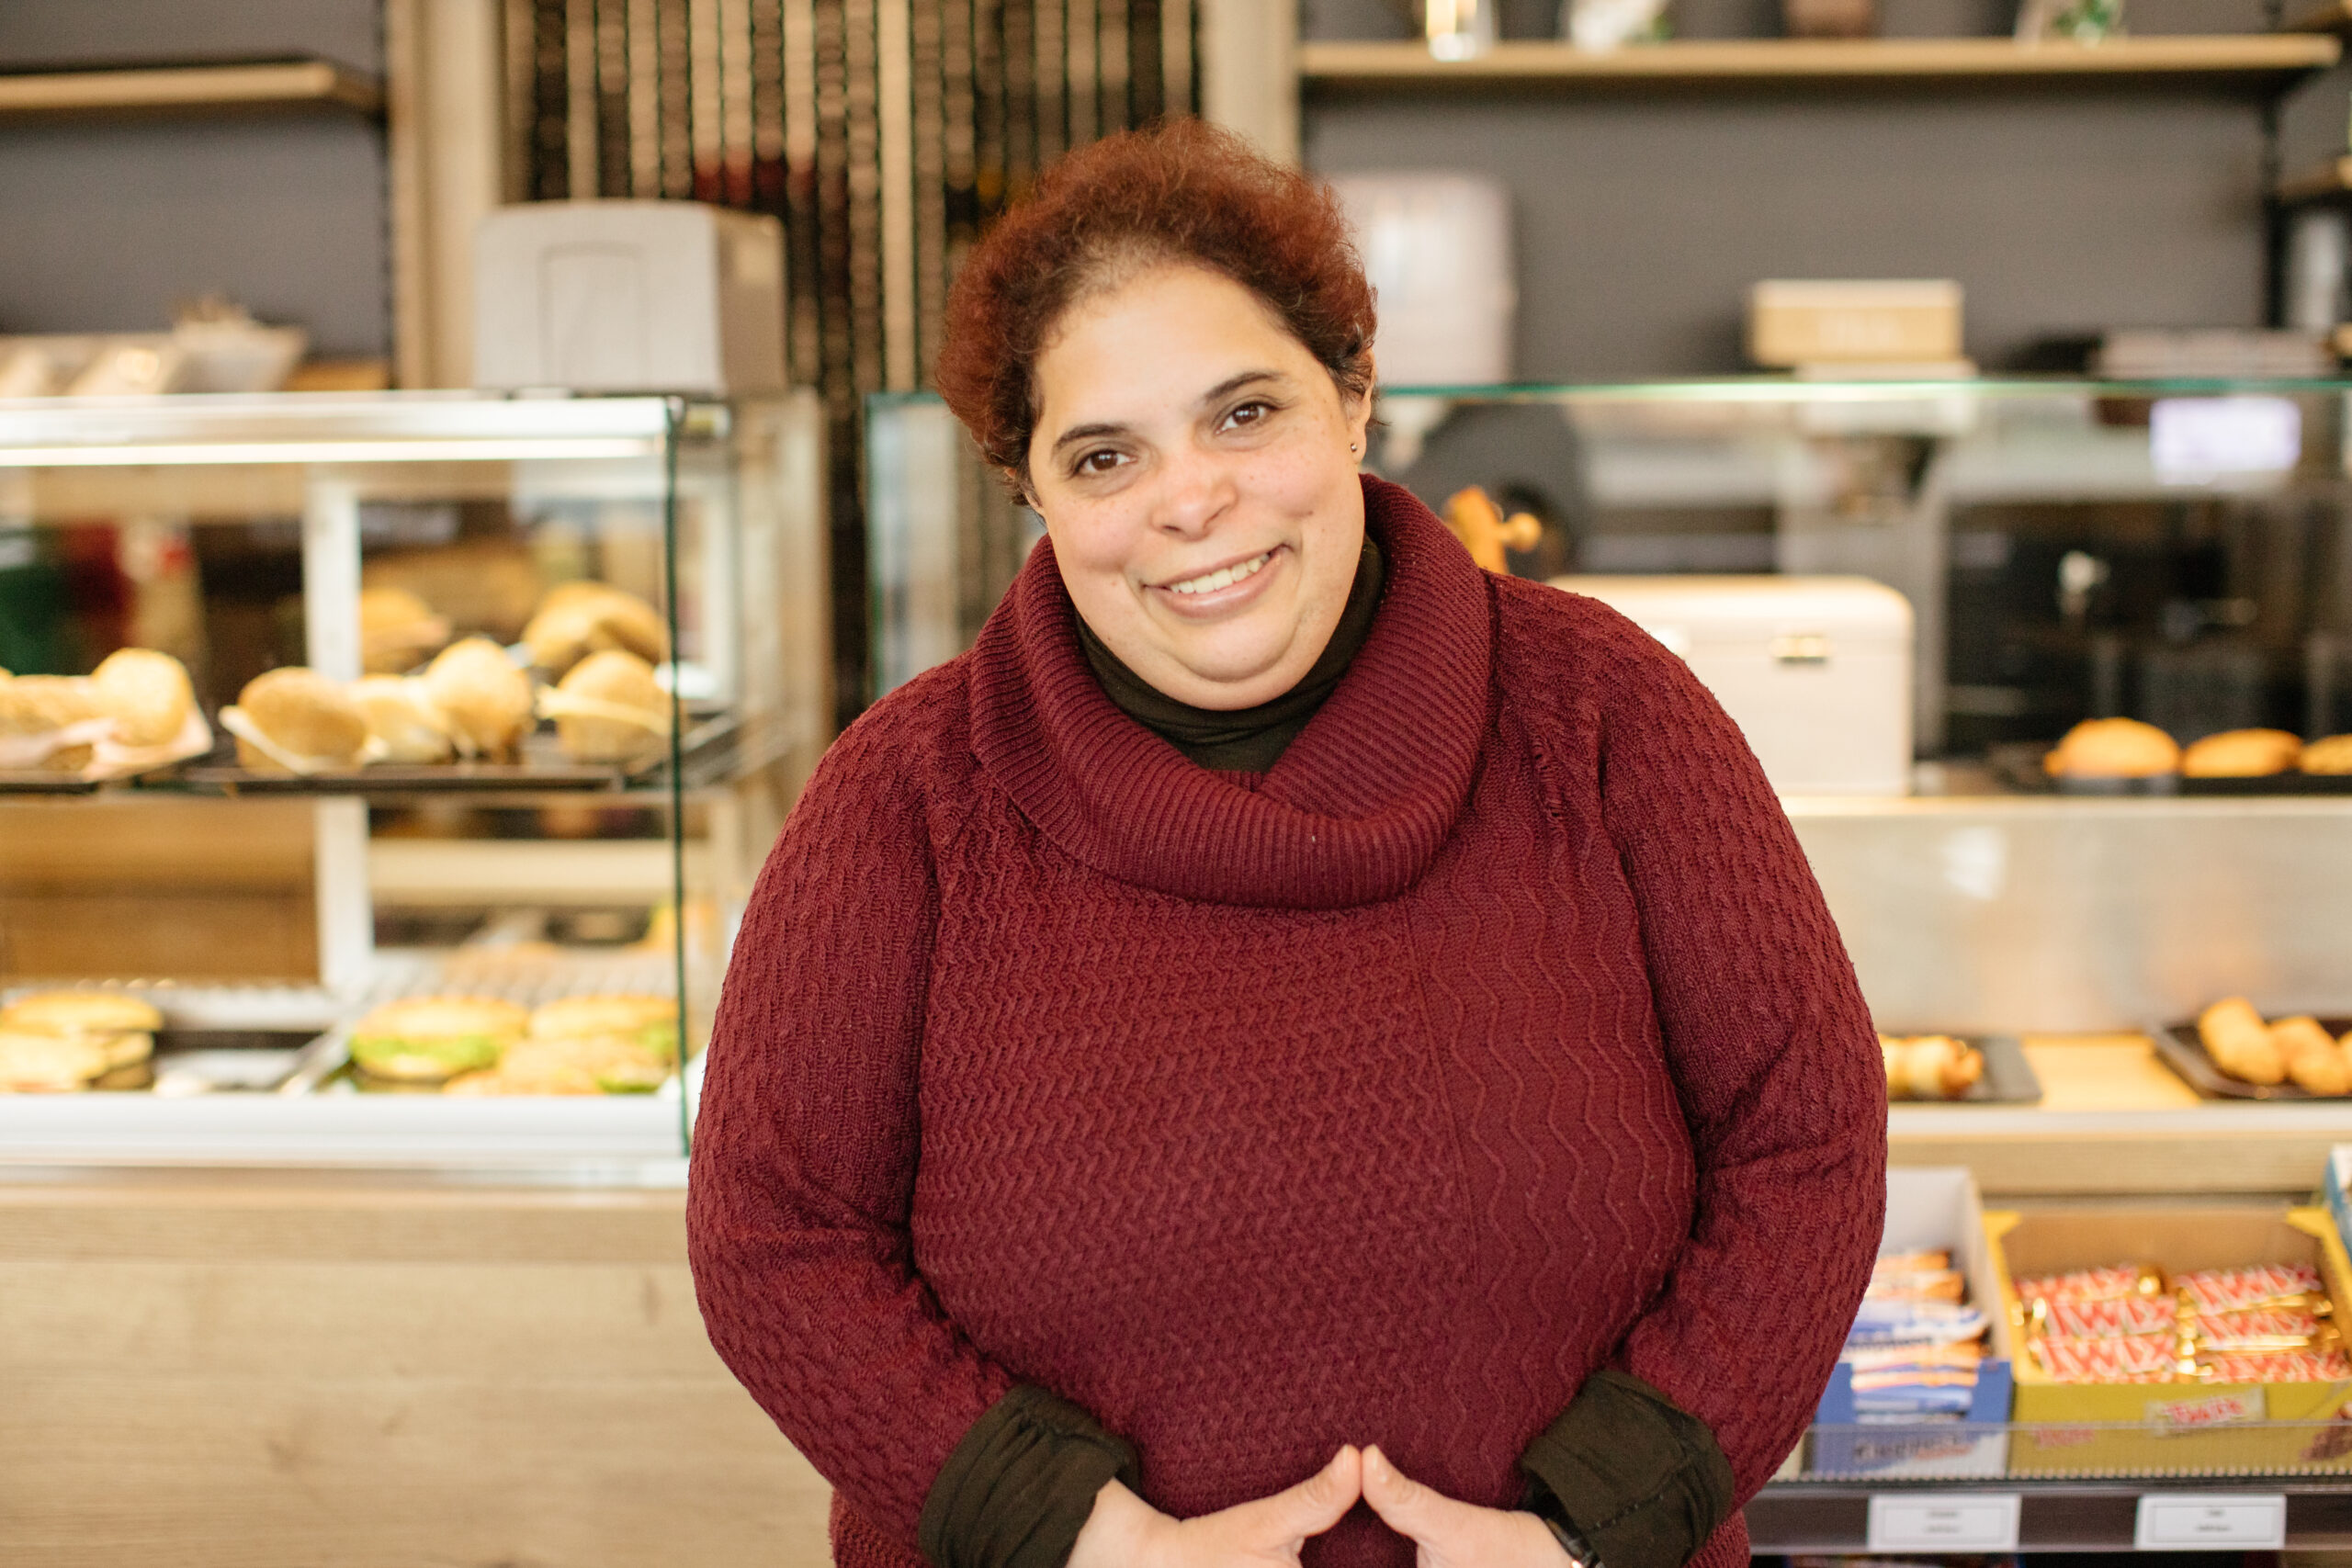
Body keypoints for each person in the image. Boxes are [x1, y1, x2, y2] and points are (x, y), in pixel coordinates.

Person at [687, 118, 1885, 1568]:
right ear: (1033, 493)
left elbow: (1803, 1135)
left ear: (1357, 398)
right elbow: (775, 1238)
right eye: (1105, 453)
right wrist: (1088, 1544)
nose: (1190, 499)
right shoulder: (906, 797)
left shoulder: (1605, 710)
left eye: (1245, 413)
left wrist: (1592, 1528)